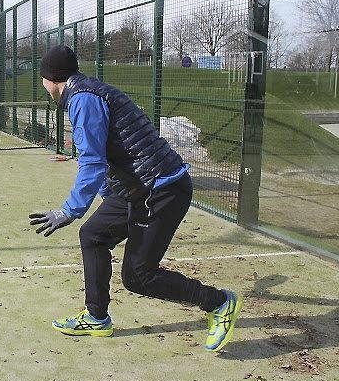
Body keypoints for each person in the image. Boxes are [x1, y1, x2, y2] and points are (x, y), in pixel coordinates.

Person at [29, 45, 242, 352]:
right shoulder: (89, 92)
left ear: (49, 79)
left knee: (138, 276)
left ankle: (219, 302)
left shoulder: (82, 100)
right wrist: (105, 198)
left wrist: (69, 210)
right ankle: (96, 316)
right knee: (94, 234)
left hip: (161, 190)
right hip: (138, 187)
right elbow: (108, 156)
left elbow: (92, 161)